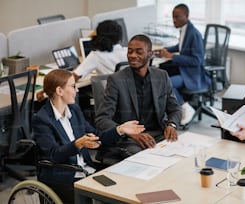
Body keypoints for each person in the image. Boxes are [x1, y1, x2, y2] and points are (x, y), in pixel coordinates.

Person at [32, 69, 145, 203]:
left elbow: (96, 136)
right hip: (64, 174)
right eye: (73, 86)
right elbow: (53, 155)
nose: (77, 90)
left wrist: (120, 129)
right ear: (59, 91)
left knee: (125, 183)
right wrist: (78, 144)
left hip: (86, 169)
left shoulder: (73, 110)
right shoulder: (42, 119)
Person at [95, 34, 182, 162]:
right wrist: (130, 132)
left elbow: (175, 109)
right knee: (147, 160)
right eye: (130, 51)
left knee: (179, 156)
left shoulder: (161, 76)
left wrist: (172, 125)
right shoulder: (116, 80)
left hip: (157, 134)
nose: (133, 55)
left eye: (139, 52)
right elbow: (101, 119)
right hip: (128, 139)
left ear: (150, 54)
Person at [154, 3, 211, 126]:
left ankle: (183, 107)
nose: (174, 20)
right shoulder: (185, 30)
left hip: (192, 74)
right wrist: (165, 50)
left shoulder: (194, 34)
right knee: (162, 74)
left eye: (177, 17)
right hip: (184, 70)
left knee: (167, 83)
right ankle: (175, 107)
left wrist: (172, 56)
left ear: (186, 16)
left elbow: (197, 61)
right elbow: (180, 47)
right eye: (173, 17)